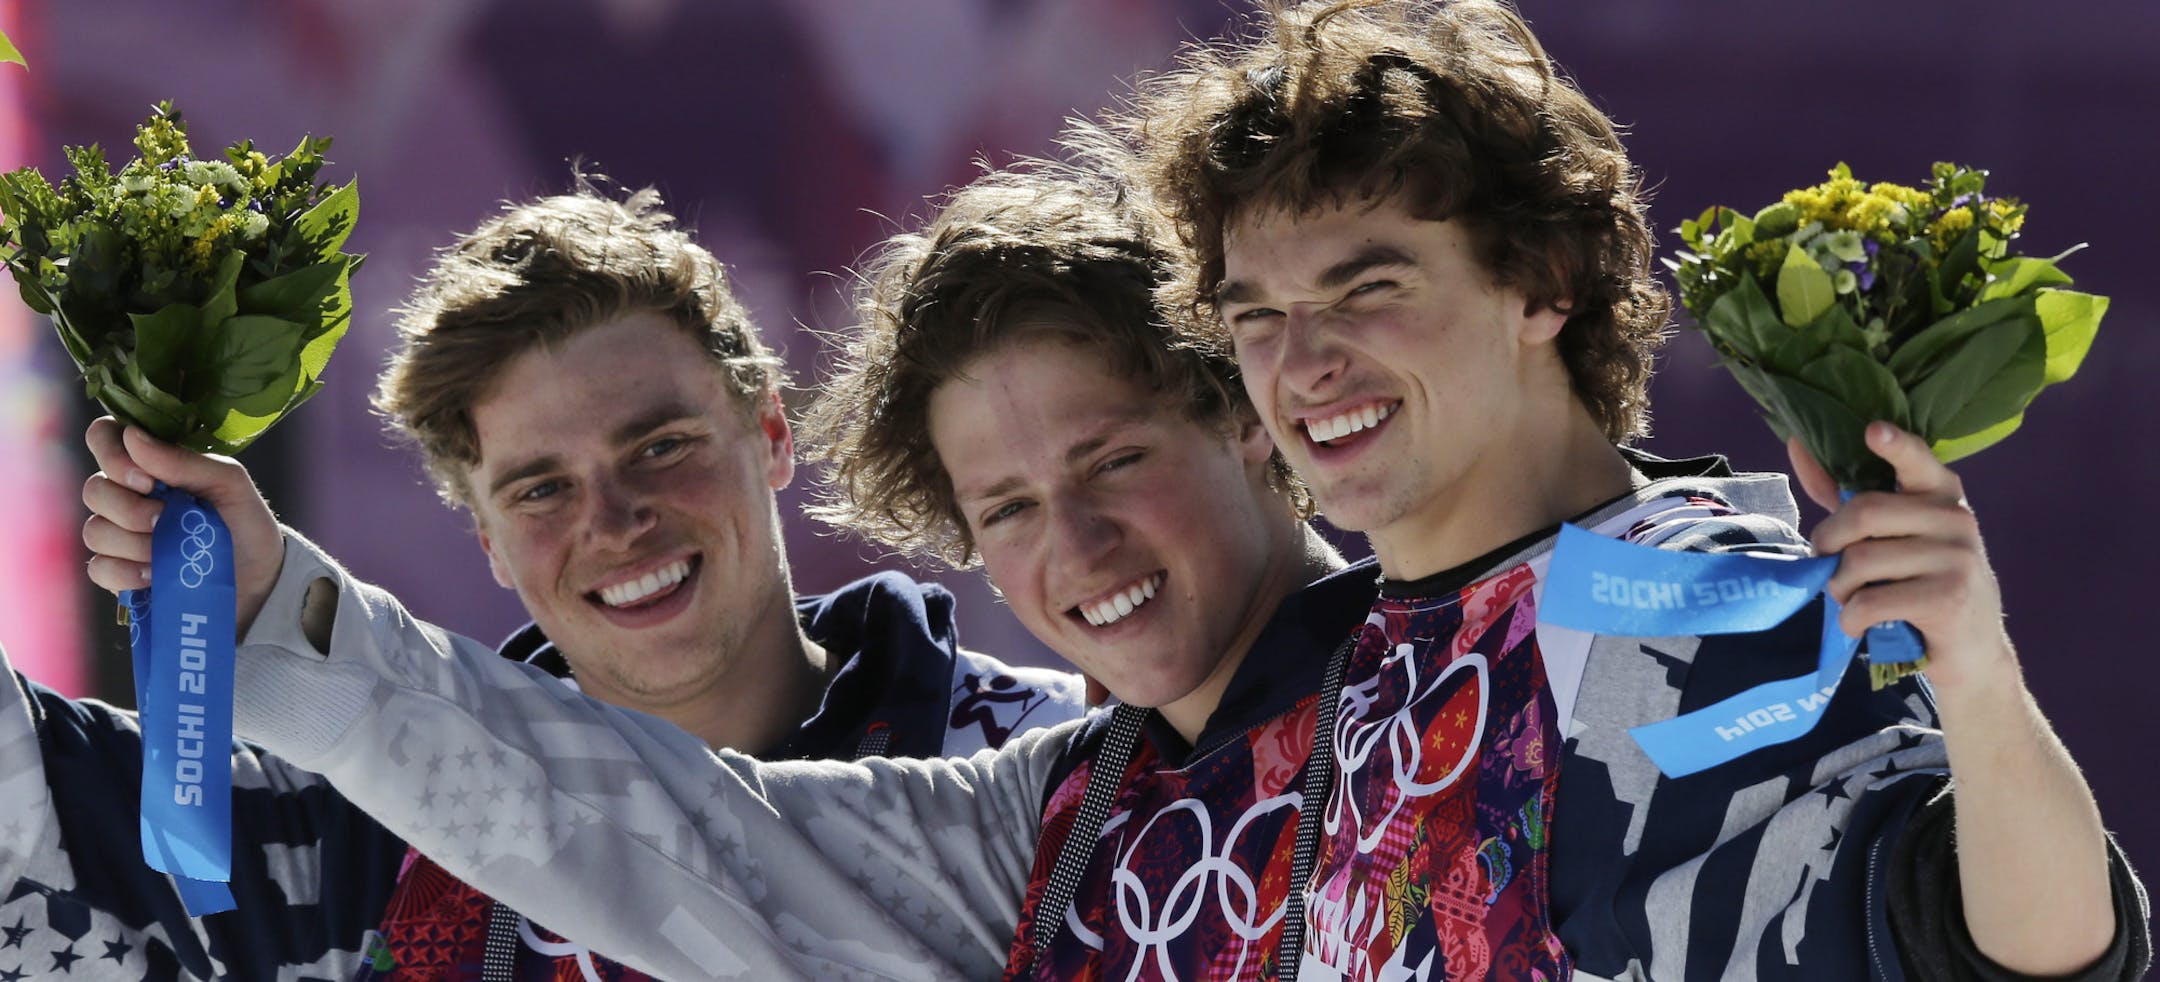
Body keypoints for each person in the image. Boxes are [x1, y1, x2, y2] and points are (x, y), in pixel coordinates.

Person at [1103, 1, 2149, 979]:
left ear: (1543, 283)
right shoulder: (1350, 657)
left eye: (1368, 288)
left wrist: (1977, 674)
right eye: (1257, 317)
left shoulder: (1687, 601)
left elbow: (2017, 948)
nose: (1302, 364)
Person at [44, 183, 1082, 981]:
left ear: (771, 430)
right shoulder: (381, 831)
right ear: (488, 540)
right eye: (542, 489)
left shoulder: (1065, 768)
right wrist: (257, 604)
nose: (615, 521)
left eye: (662, 446)